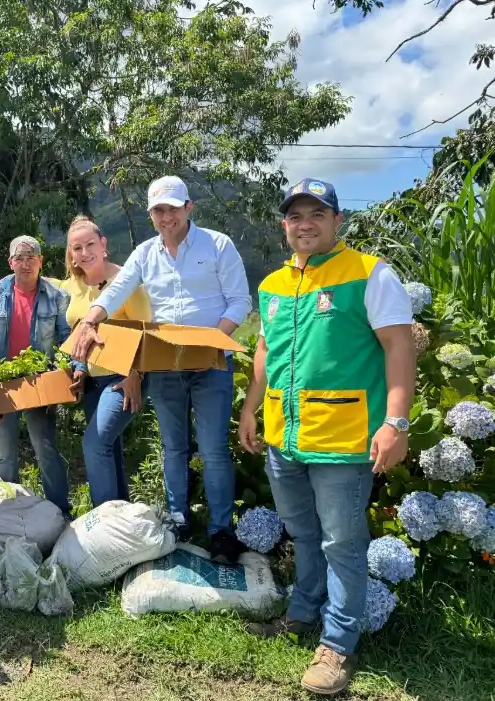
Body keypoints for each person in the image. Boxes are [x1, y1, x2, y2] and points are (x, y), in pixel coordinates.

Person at [238, 179, 415, 696]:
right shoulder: (272, 284)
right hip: (284, 439)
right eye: (296, 216)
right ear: (284, 225)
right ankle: (302, 611)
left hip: (342, 440)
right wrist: (251, 408)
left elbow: (398, 348)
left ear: (338, 220)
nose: (306, 223)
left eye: (317, 213)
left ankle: (337, 645)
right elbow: (266, 354)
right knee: (303, 533)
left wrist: (396, 422)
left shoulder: (368, 273)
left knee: (343, 542)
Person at [71, 176, 252, 563]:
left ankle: (221, 531)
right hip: (166, 364)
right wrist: (91, 320)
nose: (165, 216)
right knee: (174, 447)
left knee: (215, 449)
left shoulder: (217, 245)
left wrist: (212, 343)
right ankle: (178, 520)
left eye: (172, 208)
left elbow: (239, 302)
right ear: (151, 215)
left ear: (189, 208)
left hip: (212, 361)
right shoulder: (145, 254)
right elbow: (115, 291)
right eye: (158, 210)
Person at [0, 235, 75, 515]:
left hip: (39, 380)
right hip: (0, 383)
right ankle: (9, 512)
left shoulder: (56, 296)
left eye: (31, 257)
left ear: (41, 261)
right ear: (11, 262)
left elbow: (65, 338)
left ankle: (59, 512)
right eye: (19, 258)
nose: (25, 264)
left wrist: (72, 370)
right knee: (5, 452)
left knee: (46, 448)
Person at [59, 216, 151, 506]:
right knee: (109, 448)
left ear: (103, 244)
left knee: (94, 444)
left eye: (90, 244)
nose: (85, 253)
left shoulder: (127, 281)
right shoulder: (70, 286)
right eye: (77, 248)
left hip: (122, 378)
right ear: (70, 254)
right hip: (90, 381)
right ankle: (121, 515)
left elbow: (147, 330)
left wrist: (136, 375)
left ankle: (105, 522)